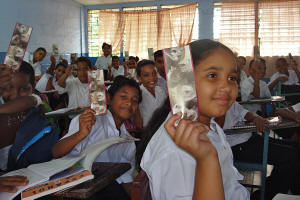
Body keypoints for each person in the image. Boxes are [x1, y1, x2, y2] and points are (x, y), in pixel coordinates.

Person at [141, 39, 249, 200]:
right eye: (212, 75)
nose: (227, 87)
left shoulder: (210, 126)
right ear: (185, 80)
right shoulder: (175, 151)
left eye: (232, 78)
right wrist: (207, 159)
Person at [52, 76, 142, 199]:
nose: (129, 103)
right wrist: (80, 134)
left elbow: (126, 179)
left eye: (135, 100)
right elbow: (56, 152)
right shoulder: (90, 122)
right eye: (123, 97)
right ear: (109, 99)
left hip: (100, 188)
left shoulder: (128, 142)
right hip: (72, 189)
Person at [216, 101, 300, 199]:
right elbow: (218, 128)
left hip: (250, 137)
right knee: (291, 155)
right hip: (236, 146)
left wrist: (257, 118)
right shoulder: (216, 102)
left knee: (295, 146)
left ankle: (293, 192)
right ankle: (266, 196)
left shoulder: (231, 101)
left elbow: (245, 113)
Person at [137, 59, 167, 128]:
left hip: (163, 128)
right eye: (146, 75)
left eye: (154, 73)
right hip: (148, 131)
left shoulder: (160, 90)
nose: (152, 78)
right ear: (139, 78)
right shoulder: (138, 93)